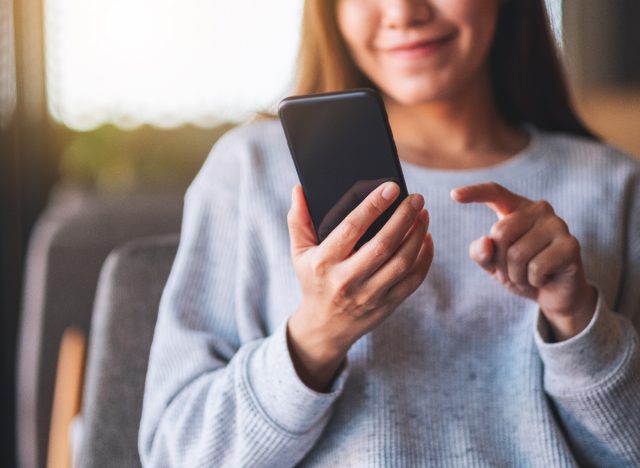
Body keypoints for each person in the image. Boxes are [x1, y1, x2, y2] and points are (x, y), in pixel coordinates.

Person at [138, 0, 640, 466]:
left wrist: (577, 322)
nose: (403, 13)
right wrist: (316, 336)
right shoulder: (250, 170)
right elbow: (174, 451)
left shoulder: (613, 185)